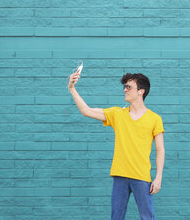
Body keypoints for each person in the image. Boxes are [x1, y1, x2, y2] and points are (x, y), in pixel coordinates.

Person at [68, 70, 165, 220]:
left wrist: (158, 178)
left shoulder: (154, 119)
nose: (125, 90)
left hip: (141, 176)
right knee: (116, 217)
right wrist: (72, 88)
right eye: (124, 87)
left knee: (147, 217)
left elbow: (160, 150)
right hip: (120, 175)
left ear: (141, 91)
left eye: (129, 87)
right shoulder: (117, 114)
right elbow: (86, 111)